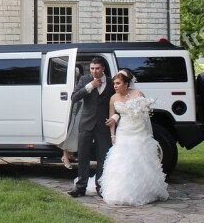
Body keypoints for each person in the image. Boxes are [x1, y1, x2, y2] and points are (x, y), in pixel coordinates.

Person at [99, 71, 169, 206]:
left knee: (140, 159)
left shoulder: (138, 95)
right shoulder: (113, 98)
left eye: (118, 83)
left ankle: (144, 190)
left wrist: (143, 108)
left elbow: (146, 113)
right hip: (124, 130)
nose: (115, 86)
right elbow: (112, 118)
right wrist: (113, 135)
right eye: (114, 83)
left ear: (126, 84)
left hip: (138, 130)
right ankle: (120, 192)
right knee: (123, 160)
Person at [67, 57, 114, 197]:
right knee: (83, 156)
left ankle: (100, 187)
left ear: (103, 68)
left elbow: (116, 103)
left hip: (103, 125)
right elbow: (74, 97)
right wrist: (90, 86)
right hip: (86, 123)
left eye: (97, 68)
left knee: (102, 157)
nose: (94, 71)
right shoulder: (84, 80)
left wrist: (115, 117)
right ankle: (80, 188)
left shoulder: (112, 83)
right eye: (92, 68)